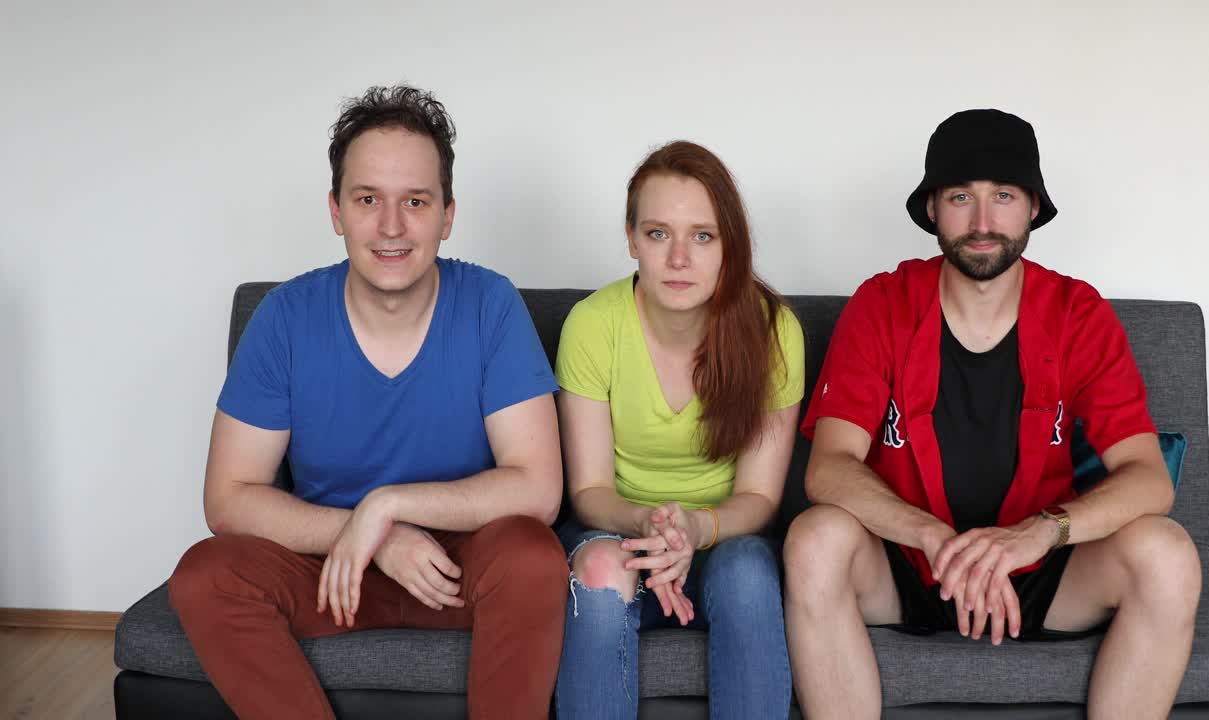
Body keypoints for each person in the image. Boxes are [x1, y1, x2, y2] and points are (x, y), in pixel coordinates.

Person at [166, 85, 567, 720]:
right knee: (205, 575)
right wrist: (373, 536)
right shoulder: (284, 317)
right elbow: (228, 497)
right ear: (336, 211)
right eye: (368, 199)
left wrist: (388, 506)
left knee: (532, 556)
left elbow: (538, 489)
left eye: (416, 201)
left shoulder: (491, 305)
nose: (391, 226)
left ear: (447, 215)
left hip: (458, 570)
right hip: (331, 568)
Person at [784, 109, 1201, 719]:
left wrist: (1037, 533)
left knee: (1167, 552)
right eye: (961, 197)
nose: (982, 222)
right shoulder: (882, 303)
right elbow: (829, 468)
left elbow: (1148, 479)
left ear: (1033, 207)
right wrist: (932, 537)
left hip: (1043, 570)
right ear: (932, 208)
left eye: (1003, 196)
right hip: (905, 563)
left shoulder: (1078, 313)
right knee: (814, 538)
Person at [552, 141, 803, 719]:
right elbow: (589, 490)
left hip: (724, 538)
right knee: (600, 569)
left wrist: (692, 528)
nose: (679, 258)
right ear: (631, 238)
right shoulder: (592, 325)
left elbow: (760, 497)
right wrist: (649, 525)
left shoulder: (773, 331)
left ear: (729, 244)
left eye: (703, 236)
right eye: (659, 234)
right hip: (619, 530)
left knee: (747, 577)